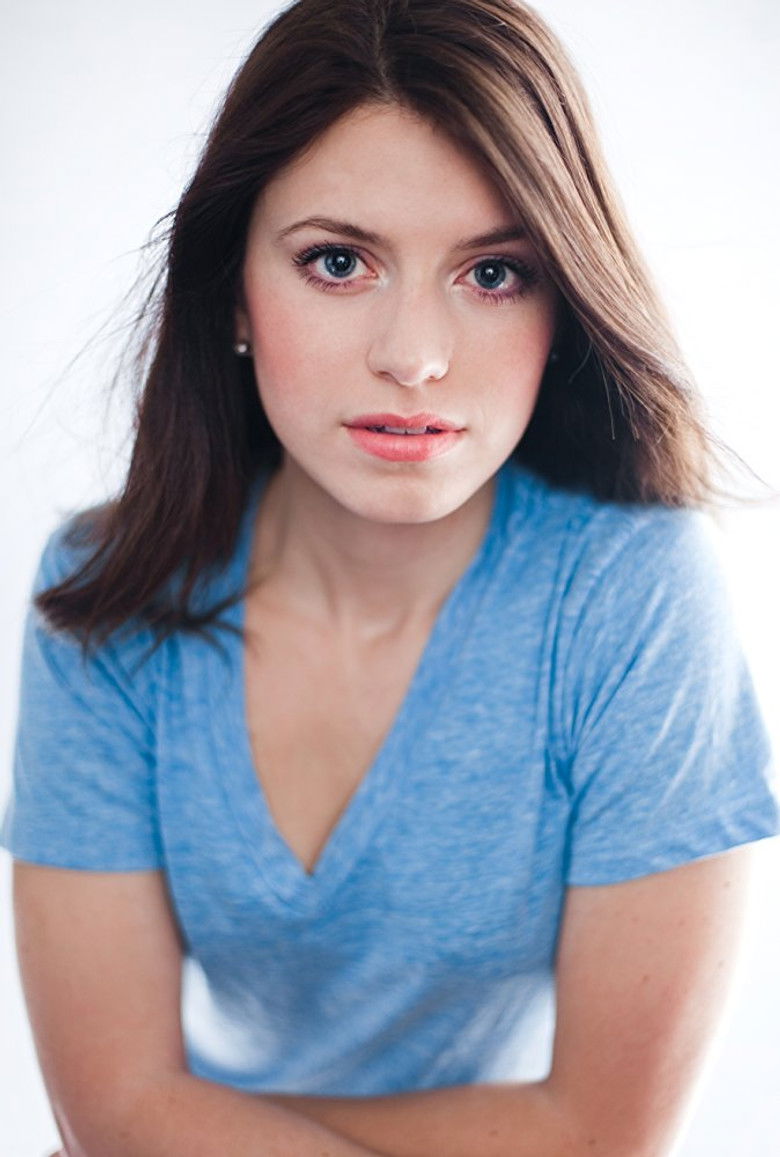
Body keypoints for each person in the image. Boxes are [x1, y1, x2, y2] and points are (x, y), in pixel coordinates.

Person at [2, 1, 778, 1154]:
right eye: (338, 261)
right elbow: (106, 1111)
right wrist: (131, 1116)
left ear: (566, 301)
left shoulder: (635, 598)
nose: (413, 357)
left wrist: (166, 1121)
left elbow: (604, 1136)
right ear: (232, 289)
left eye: (493, 273)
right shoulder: (108, 589)